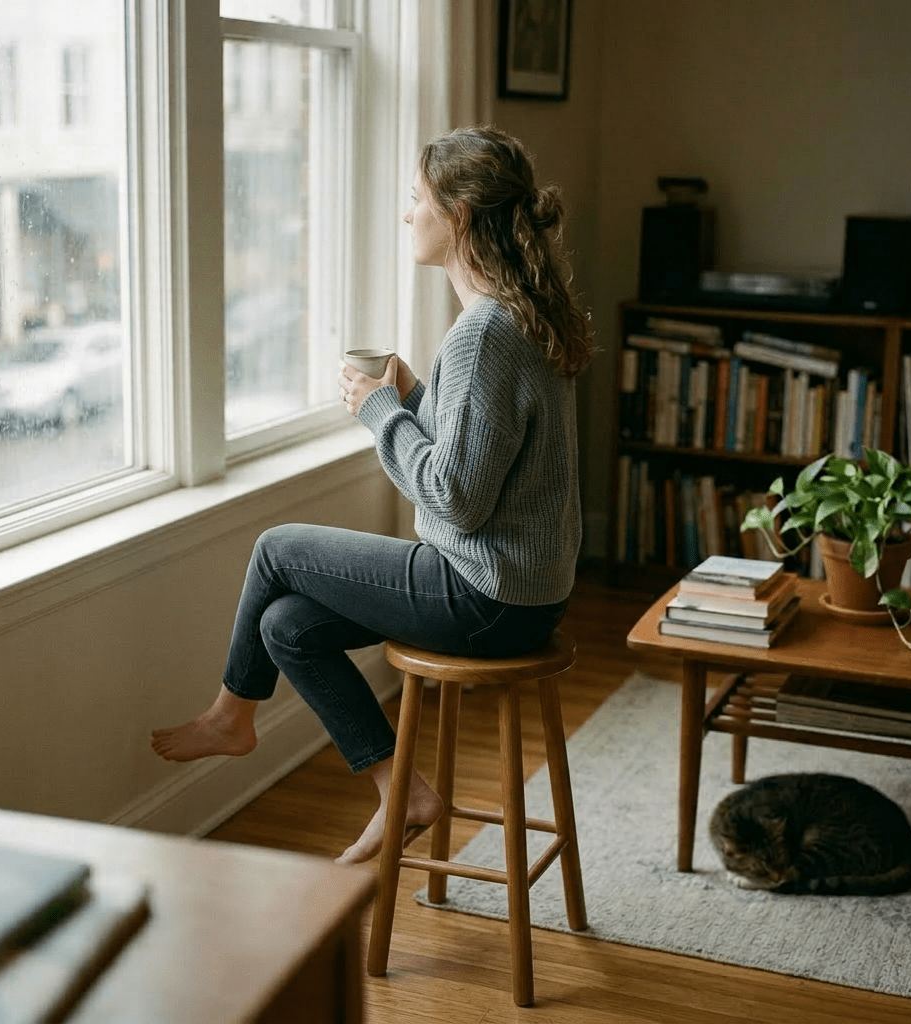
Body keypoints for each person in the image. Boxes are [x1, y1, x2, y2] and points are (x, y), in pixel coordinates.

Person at [151, 125, 595, 865]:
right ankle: (404, 793)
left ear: (457, 217)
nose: (405, 213)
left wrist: (377, 411)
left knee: (275, 548)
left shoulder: (483, 332)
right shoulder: (520, 315)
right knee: (288, 625)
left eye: (416, 199)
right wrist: (416, 393)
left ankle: (231, 715)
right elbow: (482, 457)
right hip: (528, 594)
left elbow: (456, 501)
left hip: (483, 597)